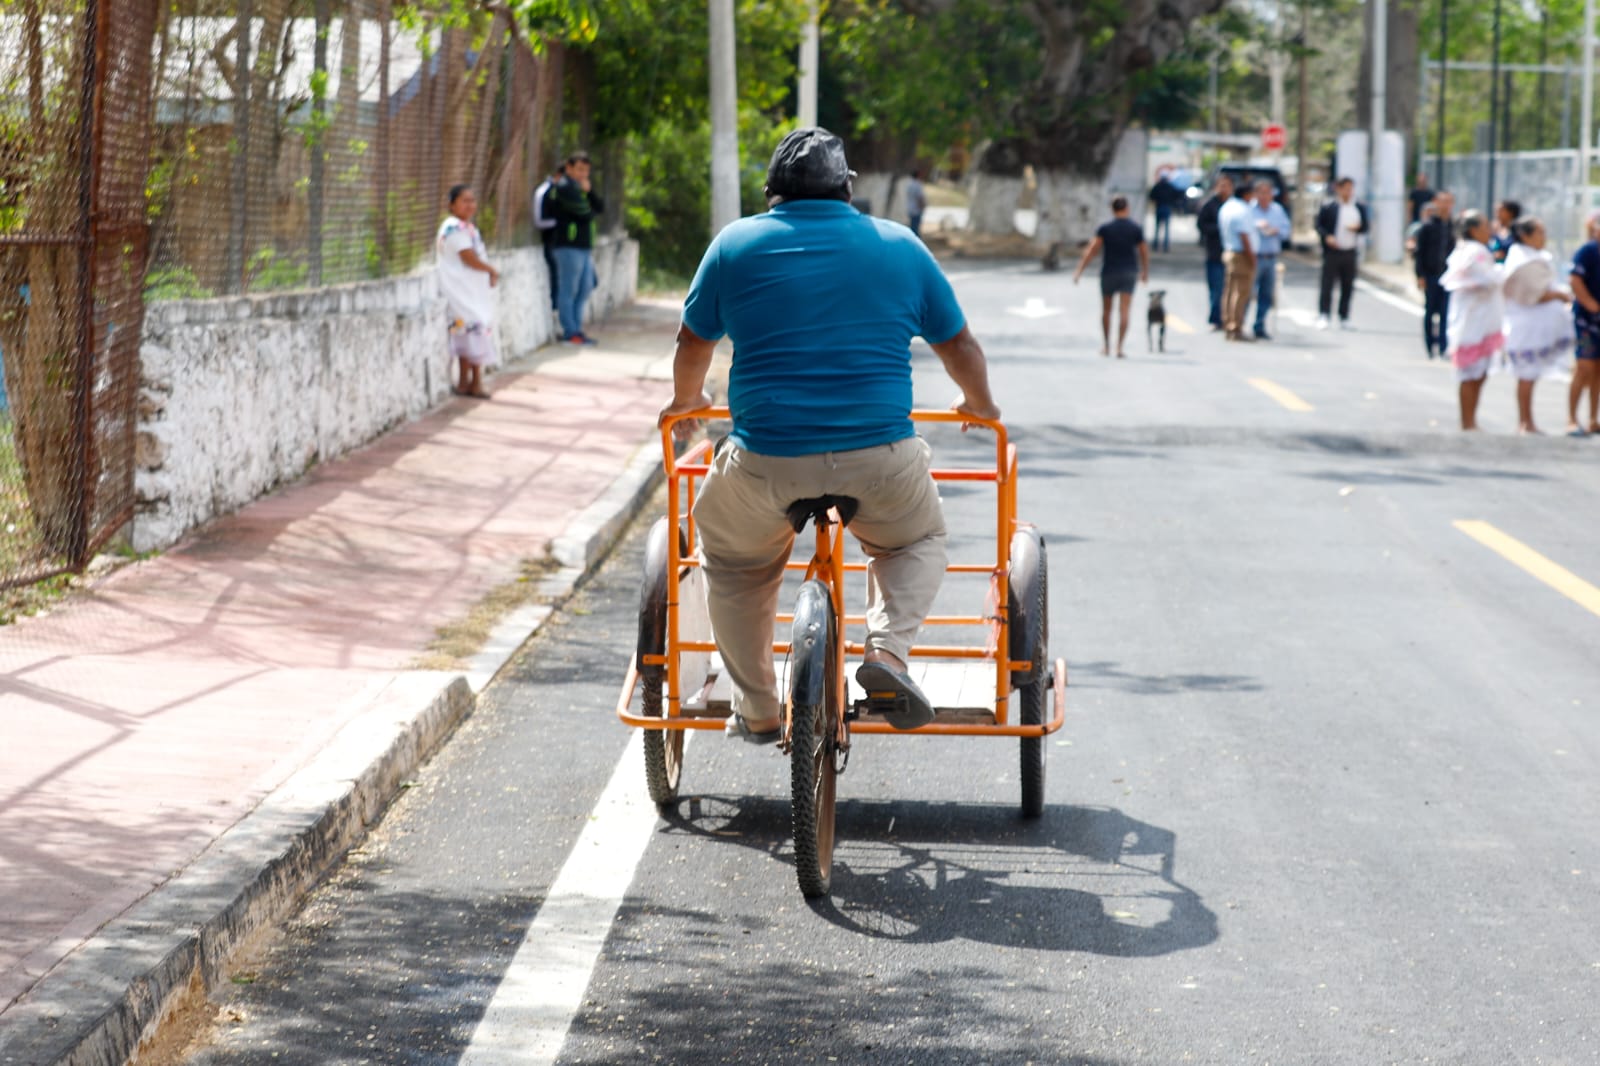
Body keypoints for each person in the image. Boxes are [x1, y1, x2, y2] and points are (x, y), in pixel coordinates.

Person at [657, 127, 1000, 743]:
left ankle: (759, 707)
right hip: (880, 459)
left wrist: (688, 401)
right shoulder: (899, 245)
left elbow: (691, 343)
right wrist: (980, 405)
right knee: (916, 541)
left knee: (733, 565)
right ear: (848, 189)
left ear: (771, 194)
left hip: (766, 458)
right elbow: (960, 345)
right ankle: (889, 654)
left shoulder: (734, 244)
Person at [1501, 216, 1573, 434]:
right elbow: (1532, 294)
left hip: (1535, 324)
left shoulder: (1530, 256)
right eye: (1539, 232)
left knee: (1529, 375)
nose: (1544, 237)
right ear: (1525, 235)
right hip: (1526, 325)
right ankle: (1525, 421)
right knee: (1526, 374)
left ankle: (1527, 421)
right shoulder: (1523, 260)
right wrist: (1560, 295)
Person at [1439, 209, 1504, 431]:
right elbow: (1487, 279)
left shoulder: (1470, 250)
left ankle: (1470, 420)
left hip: (1480, 319)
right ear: (1474, 230)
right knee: (1470, 373)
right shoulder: (1473, 252)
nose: (1489, 230)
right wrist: (1501, 272)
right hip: (1473, 321)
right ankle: (1467, 421)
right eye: (1485, 226)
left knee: (1478, 372)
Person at [435, 183, 499, 399]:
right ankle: (476, 382)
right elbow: (468, 257)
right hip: (460, 293)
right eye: (465, 200)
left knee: (466, 335)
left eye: (472, 200)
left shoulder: (467, 228)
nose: (470, 205)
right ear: (452, 205)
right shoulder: (454, 228)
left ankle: (465, 382)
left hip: (469, 292)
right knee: (474, 332)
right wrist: (491, 270)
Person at [1072, 196, 1149, 357]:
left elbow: (1092, 250)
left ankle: (1106, 346)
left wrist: (1079, 270)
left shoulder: (1105, 228)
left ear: (1112, 210)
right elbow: (1143, 251)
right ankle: (1120, 347)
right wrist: (1145, 272)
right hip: (1129, 272)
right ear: (1126, 208)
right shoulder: (1135, 228)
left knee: (1107, 310)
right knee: (1125, 310)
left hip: (1109, 272)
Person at [551, 150, 604, 345]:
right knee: (568, 289)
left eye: (586, 171)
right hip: (567, 246)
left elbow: (599, 207)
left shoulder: (581, 188)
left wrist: (589, 192)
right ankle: (569, 332)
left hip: (583, 247)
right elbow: (585, 214)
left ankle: (576, 329)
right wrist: (587, 201)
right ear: (569, 168)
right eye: (579, 169)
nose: (583, 174)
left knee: (586, 286)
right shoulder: (564, 187)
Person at [1314, 177, 1369, 330]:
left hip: (1350, 250)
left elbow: (1365, 227)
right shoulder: (1329, 206)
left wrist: (1357, 227)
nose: (1348, 192)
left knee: (1347, 285)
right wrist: (1327, 237)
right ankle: (1324, 314)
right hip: (1332, 251)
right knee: (1327, 284)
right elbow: (1319, 225)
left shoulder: (1358, 207)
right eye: (1346, 188)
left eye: (1351, 188)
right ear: (1338, 188)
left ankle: (1344, 316)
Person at [1567, 211, 1600, 435]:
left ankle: (1592, 418)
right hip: (1587, 321)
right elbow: (1575, 280)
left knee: (1598, 370)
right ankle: (1571, 418)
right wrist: (1591, 305)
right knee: (1585, 367)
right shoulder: (1588, 251)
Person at [1414, 190, 1456, 359]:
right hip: (1431, 274)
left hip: (1450, 277)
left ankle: (1444, 345)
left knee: (1447, 312)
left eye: (1448, 201)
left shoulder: (1454, 227)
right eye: (1442, 201)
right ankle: (1430, 345)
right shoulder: (1428, 226)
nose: (1445, 205)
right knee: (1430, 311)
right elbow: (1420, 252)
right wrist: (1420, 275)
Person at [1248, 179, 1291, 341]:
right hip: (1254, 256)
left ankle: (1259, 325)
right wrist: (1258, 226)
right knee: (1248, 292)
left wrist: (1276, 231)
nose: (1264, 196)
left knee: (1266, 294)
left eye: (1267, 193)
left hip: (1271, 256)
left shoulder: (1277, 210)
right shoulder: (1250, 210)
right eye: (1261, 192)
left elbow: (1286, 231)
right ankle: (1240, 323)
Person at [1219, 184, 1258, 341]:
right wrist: (1252, 258)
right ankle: (1235, 326)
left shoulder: (1228, 206)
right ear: (1247, 195)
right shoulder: (1242, 210)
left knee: (1229, 291)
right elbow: (1244, 236)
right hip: (1241, 254)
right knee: (1240, 293)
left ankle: (1228, 323)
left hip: (1229, 251)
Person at [1196, 174, 1234, 330]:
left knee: (1231, 288)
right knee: (1216, 289)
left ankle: (1229, 318)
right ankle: (1216, 319)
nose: (1224, 189)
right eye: (1221, 185)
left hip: (1232, 253)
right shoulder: (1210, 205)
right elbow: (1201, 226)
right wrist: (1220, 229)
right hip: (1214, 253)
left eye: (1227, 185)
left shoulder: (1234, 206)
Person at [531, 162, 565, 311]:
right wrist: (561, 222)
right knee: (556, 281)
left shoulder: (566, 192)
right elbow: (539, 221)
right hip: (551, 243)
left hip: (567, 245)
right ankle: (556, 317)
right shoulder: (544, 191)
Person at [1147, 169, 1184, 253]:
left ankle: (1156, 245)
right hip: (1167, 207)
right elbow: (1177, 195)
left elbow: (1151, 196)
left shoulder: (1157, 186)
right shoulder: (1170, 186)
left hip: (1159, 207)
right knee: (1166, 228)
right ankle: (1165, 246)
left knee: (1157, 228)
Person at [904, 166, 928, 238]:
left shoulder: (909, 184)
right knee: (915, 229)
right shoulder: (918, 185)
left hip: (910, 208)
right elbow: (919, 197)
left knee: (912, 227)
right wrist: (922, 207)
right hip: (916, 210)